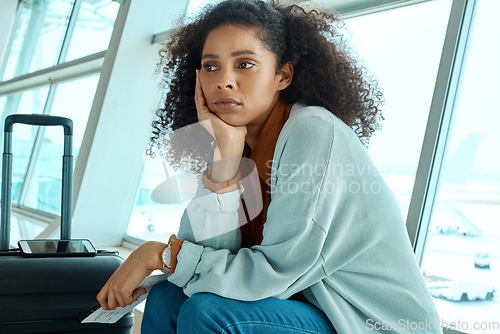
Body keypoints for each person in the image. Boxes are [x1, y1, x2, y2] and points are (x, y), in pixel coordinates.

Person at [97, 0, 443, 333]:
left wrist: (159, 255)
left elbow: (274, 274)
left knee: (211, 314)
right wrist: (225, 166)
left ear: (283, 74)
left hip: (365, 323)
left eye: (244, 64)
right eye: (211, 66)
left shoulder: (313, 130)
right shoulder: (236, 143)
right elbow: (207, 261)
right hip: (304, 306)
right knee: (167, 298)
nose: (224, 81)